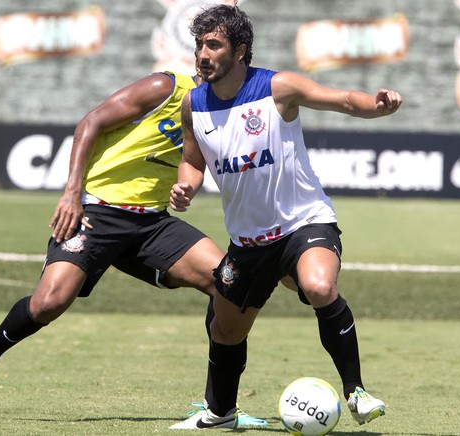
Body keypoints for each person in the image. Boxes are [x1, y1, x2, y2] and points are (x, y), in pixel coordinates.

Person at [0, 68, 272, 428]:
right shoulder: (165, 87)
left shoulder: (225, 115)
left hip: (152, 222)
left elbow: (193, 164)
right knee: (49, 303)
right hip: (97, 211)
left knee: (228, 284)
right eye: (201, 49)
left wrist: (187, 187)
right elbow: (91, 122)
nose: (204, 59)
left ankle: (219, 407)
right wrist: (73, 194)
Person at [169, 4, 402, 430]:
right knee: (225, 331)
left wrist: (378, 104)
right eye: (200, 44)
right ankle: (220, 413)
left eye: (214, 44)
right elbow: (192, 160)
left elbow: (344, 100)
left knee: (318, 285)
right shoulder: (193, 104)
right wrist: (187, 184)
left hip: (304, 222)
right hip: (248, 243)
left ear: (240, 50)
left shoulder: (278, 88)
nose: (203, 53)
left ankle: (357, 391)